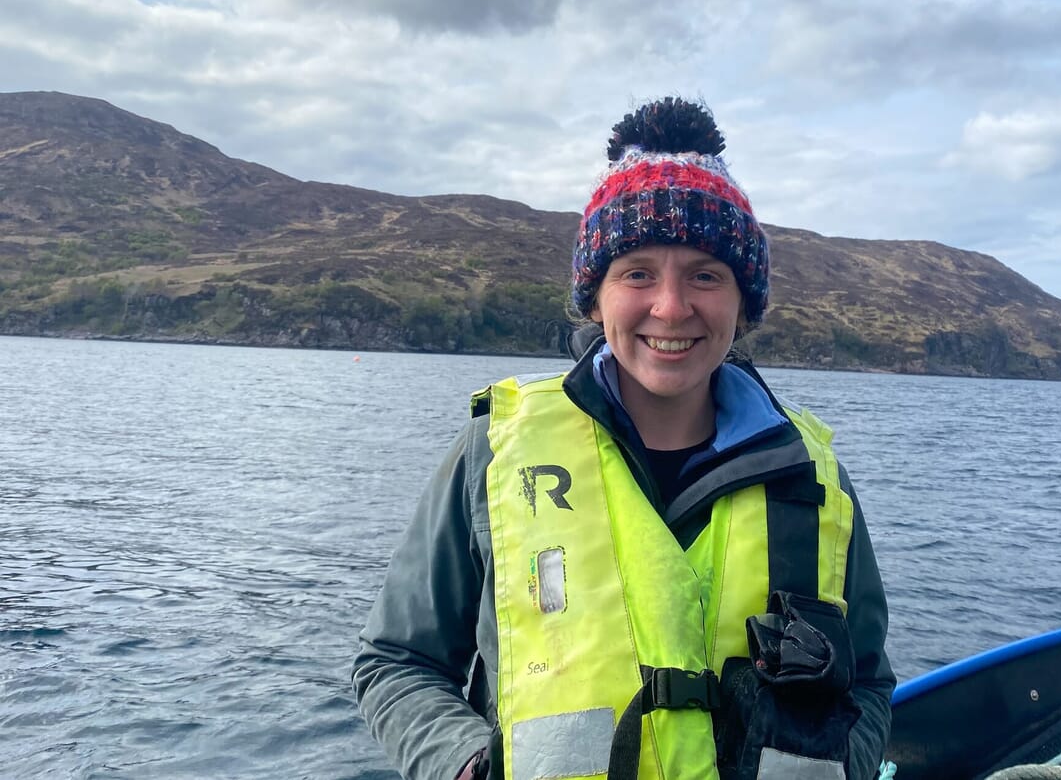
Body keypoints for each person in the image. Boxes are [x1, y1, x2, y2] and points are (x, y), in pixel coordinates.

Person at [353, 97, 894, 780]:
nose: (671, 307)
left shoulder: (815, 480)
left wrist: (846, 760)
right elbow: (396, 660)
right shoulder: (491, 455)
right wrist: (463, 764)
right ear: (597, 294)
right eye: (637, 271)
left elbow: (870, 682)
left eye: (706, 273)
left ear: (742, 300)